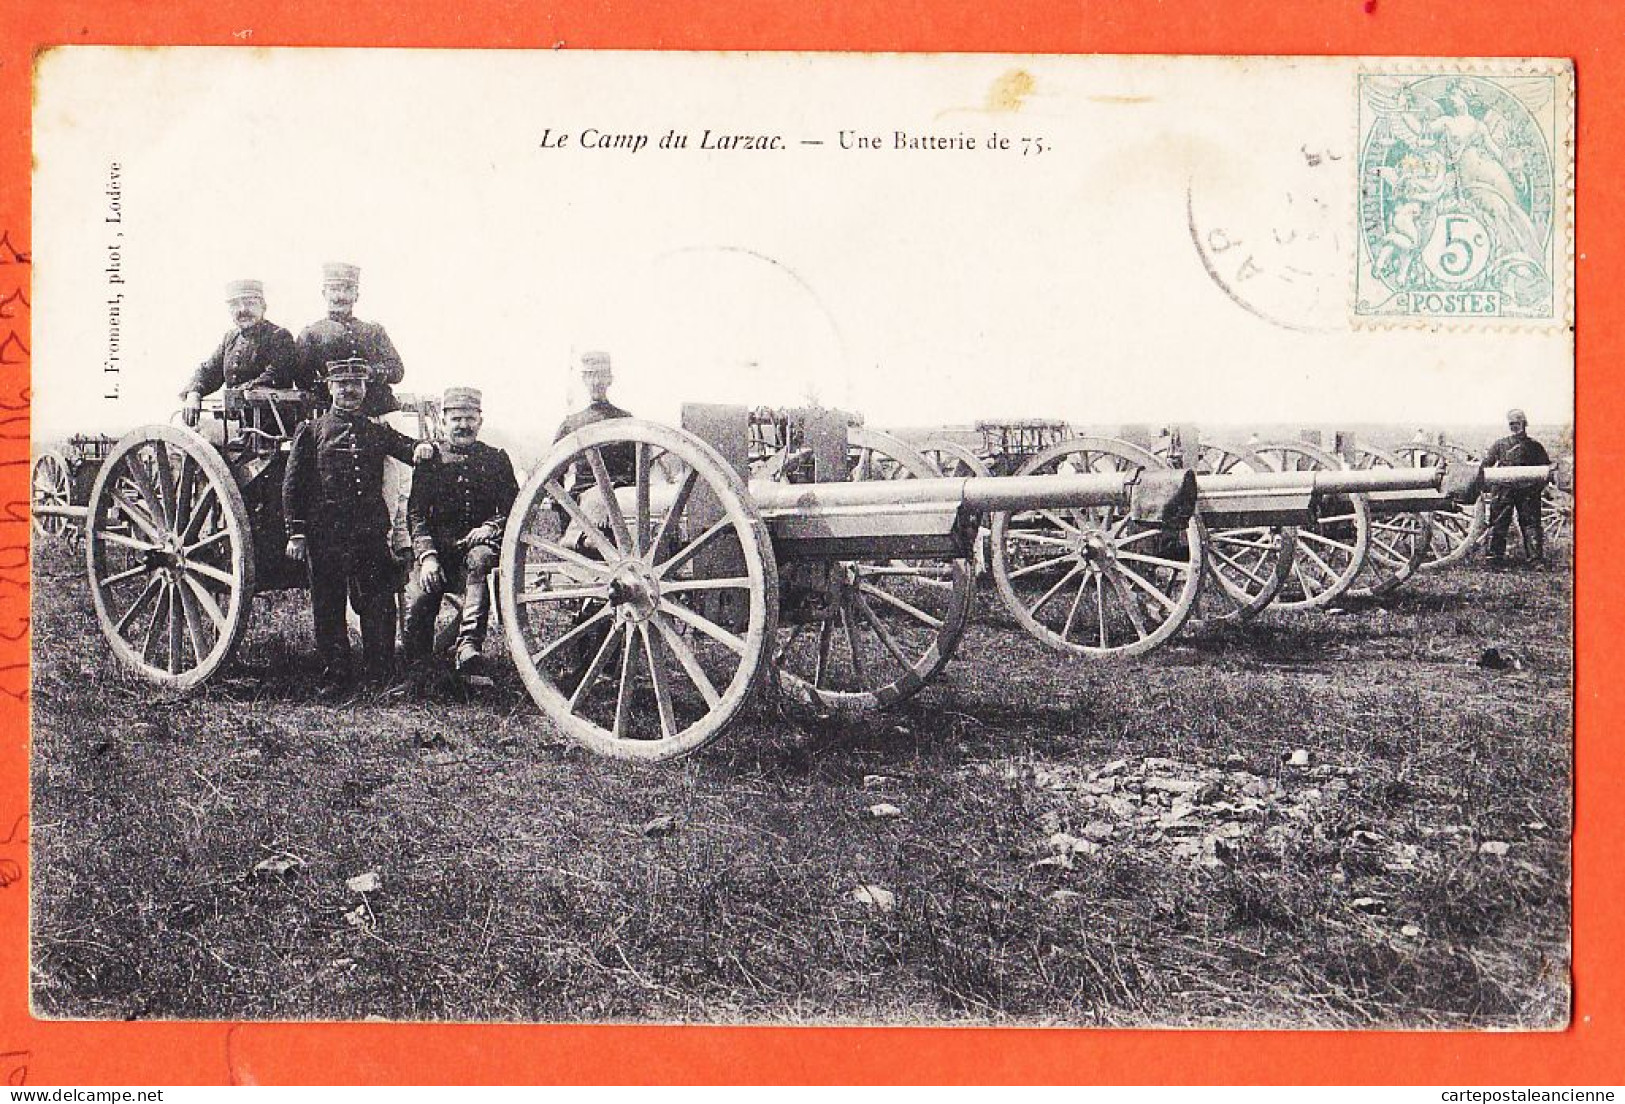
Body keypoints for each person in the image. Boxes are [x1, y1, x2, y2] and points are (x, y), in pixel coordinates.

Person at [282, 358, 435, 684]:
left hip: (368, 532)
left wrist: (422, 447)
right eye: (342, 385)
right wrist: (296, 532)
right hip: (326, 534)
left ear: (365, 389)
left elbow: (407, 449)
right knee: (328, 603)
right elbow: (293, 485)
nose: (349, 391)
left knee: (378, 601)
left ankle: (380, 671)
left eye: (356, 385)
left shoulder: (377, 431)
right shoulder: (312, 431)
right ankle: (336, 673)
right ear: (330, 388)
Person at [403, 387, 519, 674]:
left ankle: (468, 646)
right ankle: (419, 667)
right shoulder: (430, 462)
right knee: (419, 599)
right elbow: (416, 514)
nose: (463, 425)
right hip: (438, 553)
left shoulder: (496, 459)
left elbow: (514, 509)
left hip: (478, 551)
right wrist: (428, 557)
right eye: (456, 419)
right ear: (443, 421)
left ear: (481, 421)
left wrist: (491, 527)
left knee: (479, 559)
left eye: (470, 418)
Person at [178, 279, 297, 425]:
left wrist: (236, 394)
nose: (242, 310)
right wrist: (194, 394)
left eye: (249, 303)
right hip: (236, 423)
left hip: (269, 425)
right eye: (235, 304)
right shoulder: (231, 338)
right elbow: (209, 371)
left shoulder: (279, 336)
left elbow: (275, 376)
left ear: (263, 306)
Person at [294, 263, 406, 416]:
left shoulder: (374, 331)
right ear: (324, 294)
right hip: (333, 414)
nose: (341, 296)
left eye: (347, 289)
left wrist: (371, 372)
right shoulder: (310, 334)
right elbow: (302, 379)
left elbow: (397, 371)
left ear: (356, 295)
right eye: (334, 289)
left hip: (379, 410)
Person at [1483, 407, 1552, 567]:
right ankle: (1494, 559)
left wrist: (1537, 488)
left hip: (1528, 491)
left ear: (1525, 423)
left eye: (1518, 423)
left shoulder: (1535, 446)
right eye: (1512, 423)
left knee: (1531, 524)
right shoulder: (1500, 445)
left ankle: (1535, 560)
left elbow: (1545, 470)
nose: (1515, 426)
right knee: (1498, 523)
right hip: (1503, 489)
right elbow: (1486, 465)